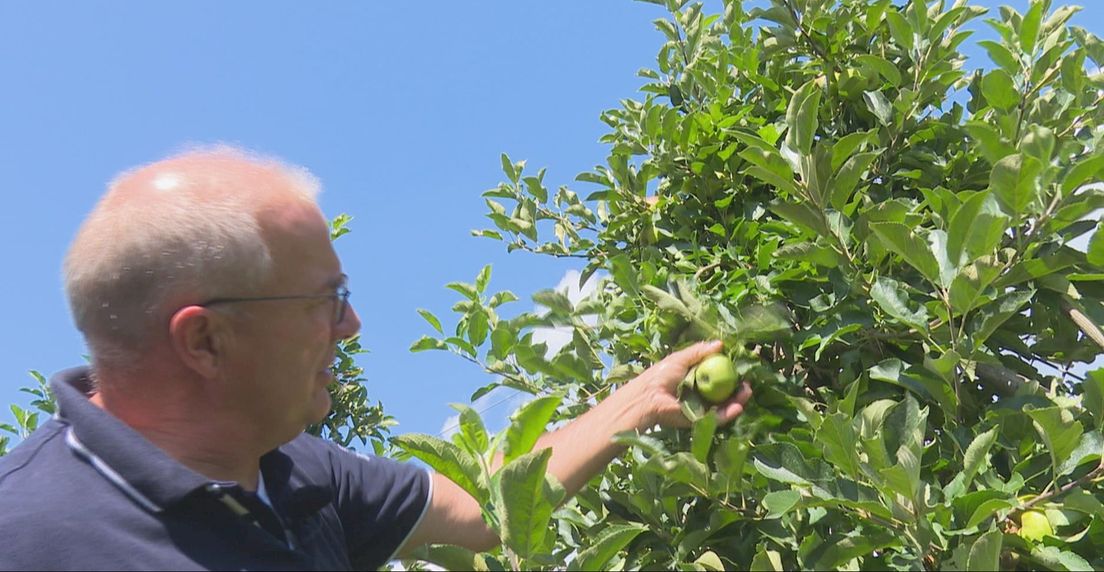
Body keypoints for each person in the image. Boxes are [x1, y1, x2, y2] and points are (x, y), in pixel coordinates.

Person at [0, 146, 750, 570]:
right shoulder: (30, 535)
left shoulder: (298, 472)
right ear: (205, 341)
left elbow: (491, 505)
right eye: (325, 300)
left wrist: (638, 402)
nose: (351, 326)